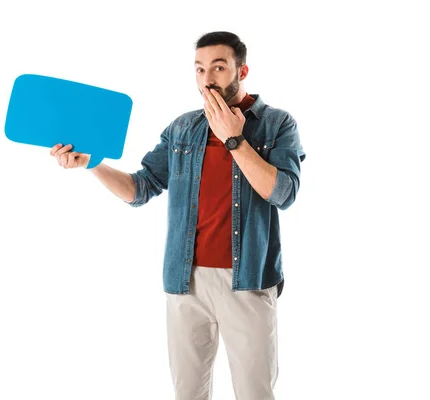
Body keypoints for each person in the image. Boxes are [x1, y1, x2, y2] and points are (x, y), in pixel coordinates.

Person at [50, 31, 305, 400]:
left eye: (218, 67)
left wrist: (234, 140)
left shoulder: (277, 124)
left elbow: (283, 193)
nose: (207, 79)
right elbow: (141, 188)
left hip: (248, 279)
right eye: (199, 69)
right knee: (188, 393)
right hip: (186, 281)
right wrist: (92, 164)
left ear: (242, 70)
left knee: (255, 393)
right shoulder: (183, 128)